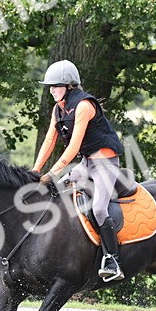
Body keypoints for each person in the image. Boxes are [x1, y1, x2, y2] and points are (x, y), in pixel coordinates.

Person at [32, 60, 127, 281]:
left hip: (105, 163)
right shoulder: (58, 109)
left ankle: (113, 260)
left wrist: (51, 173)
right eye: (50, 86)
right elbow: (49, 140)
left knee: (100, 209)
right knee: (55, 193)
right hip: (86, 164)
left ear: (69, 86)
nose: (52, 90)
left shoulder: (84, 105)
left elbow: (74, 146)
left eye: (56, 85)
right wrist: (36, 171)